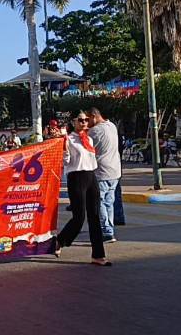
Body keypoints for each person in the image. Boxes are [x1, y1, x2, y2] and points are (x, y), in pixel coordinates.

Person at [55, 111, 111, 266]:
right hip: (76, 177)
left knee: (95, 216)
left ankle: (98, 255)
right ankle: (60, 240)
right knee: (79, 218)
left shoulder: (89, 140)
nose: (84, 123)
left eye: (86, 120)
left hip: (91, 176)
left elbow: (92, 160)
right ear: (74, 122)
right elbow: (66, 161)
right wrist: (64, 149)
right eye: (80, 120)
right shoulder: (69, 139)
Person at [89, 107, 122, 243]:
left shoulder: (94, 131)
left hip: (101, 171)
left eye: (87, 119)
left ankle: (107, 231)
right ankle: (110, 229)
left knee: (101, 202)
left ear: (94, 116)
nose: (86, 122)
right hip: (115, 171)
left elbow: (87, 149)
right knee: (109, 202)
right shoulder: (112, 126)